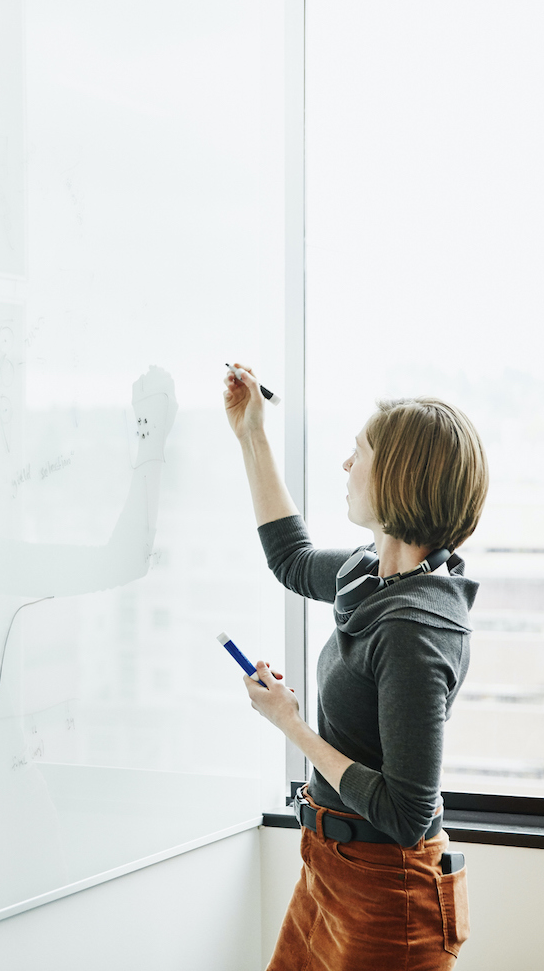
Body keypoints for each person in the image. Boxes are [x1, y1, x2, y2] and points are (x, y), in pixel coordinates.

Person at [223, 365, 488, 970]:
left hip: (385, 891)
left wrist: (291, 726)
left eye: (359, 452)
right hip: (328, 866)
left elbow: (404, 813)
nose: (346, 466)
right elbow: (293, 559)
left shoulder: (415, 627)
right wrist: (251, 435)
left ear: (398, 476)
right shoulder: (371, 574)